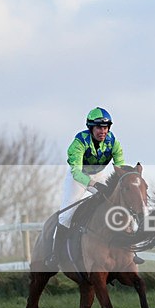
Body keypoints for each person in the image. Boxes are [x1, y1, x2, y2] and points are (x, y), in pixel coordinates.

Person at [46, 107, 124, 267]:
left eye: (105, 127)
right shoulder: (79, 142)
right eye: (98, 128)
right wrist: (93, 184)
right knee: (66, 215)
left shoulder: (113, 142)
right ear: (91, 128)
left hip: (98, 174)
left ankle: (127, 250)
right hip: (78, 177)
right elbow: (76, 172)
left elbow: (119, 166)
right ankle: (55, 255)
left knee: (118, 204)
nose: (102, 131)